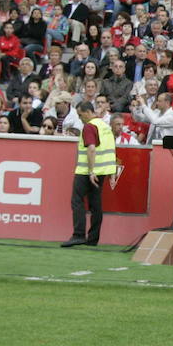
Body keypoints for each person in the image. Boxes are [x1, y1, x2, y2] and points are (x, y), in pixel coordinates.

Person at [62, 100, 116, 248]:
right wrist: (111, 171)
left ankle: (78, 235)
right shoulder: (105, 126)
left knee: (77, 200)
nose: (80, 118)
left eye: (80, 115)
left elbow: (91, 148)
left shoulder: (89, 126)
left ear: (87, 112)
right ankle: (93, 239)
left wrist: (91, 171)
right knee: (96, 205)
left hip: (87, 171)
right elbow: (111, 149)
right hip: (103, 170)